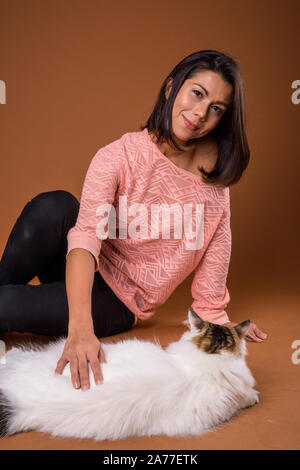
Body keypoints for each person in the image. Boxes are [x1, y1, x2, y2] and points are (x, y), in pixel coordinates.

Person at [0, 49, 267, 393]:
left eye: (216, 109)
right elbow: (84, 239)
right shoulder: (118, 155)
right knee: (54, 205)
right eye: (197, 93)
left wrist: (215, 316)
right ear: (172, 87)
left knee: (5, 304)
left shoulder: (214, 181)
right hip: (83, 264)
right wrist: (80, 330)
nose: (200, 114)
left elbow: (217, 247)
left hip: (117, 301)